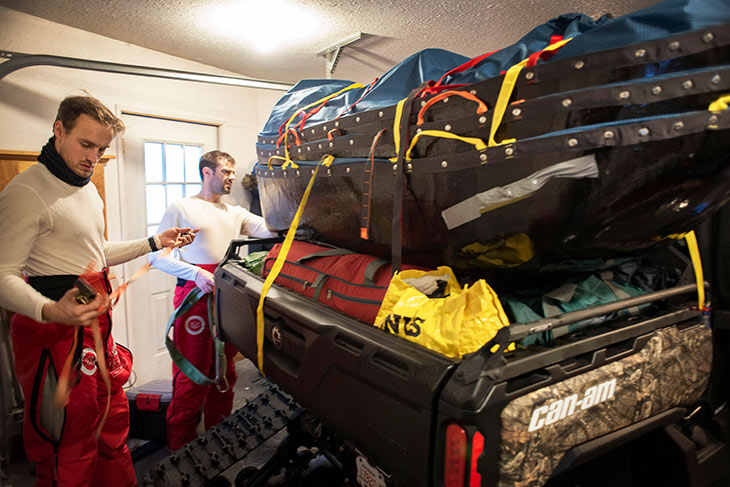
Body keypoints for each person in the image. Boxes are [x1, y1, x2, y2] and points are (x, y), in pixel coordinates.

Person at [0, 95, 195, 487]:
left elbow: (96, 252)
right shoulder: (27, 191)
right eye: (86, 144)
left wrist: (156, 242)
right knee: (67, 437)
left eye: (102, 148)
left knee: (110, 419)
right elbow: (3, 274)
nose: (93, 156)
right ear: (59, 130)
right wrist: (52, 311)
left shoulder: (85, 188)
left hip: (93, 323)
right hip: (50, 332)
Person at [151, 150, 275, 451]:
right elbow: (157, 257)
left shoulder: (234, 213)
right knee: (191, 375)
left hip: (226, 296)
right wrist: (195, 274)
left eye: (233, 172)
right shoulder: (181, 208)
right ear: (207, 172)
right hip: (195, 296)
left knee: (225, 371)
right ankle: (180, 451)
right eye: (225, 172)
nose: (231, 177)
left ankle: (217, 445)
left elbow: (271, 230)